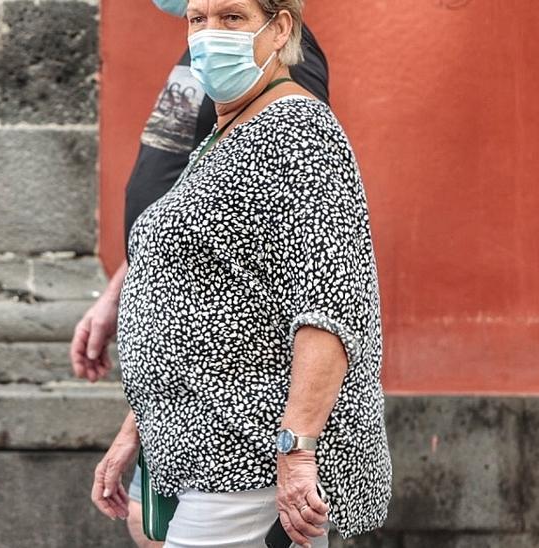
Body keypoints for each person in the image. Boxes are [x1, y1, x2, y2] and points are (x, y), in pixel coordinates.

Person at [83, 0, 391, 546]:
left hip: (245, 457)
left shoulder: (295, 128)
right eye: (198, 19)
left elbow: (334, 306)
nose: (208, 35)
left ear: (280, 29)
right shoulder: (225, 133)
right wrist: (139, 428)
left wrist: (296, 454)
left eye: (231, 18)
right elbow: (198, 297)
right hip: (197, 449)